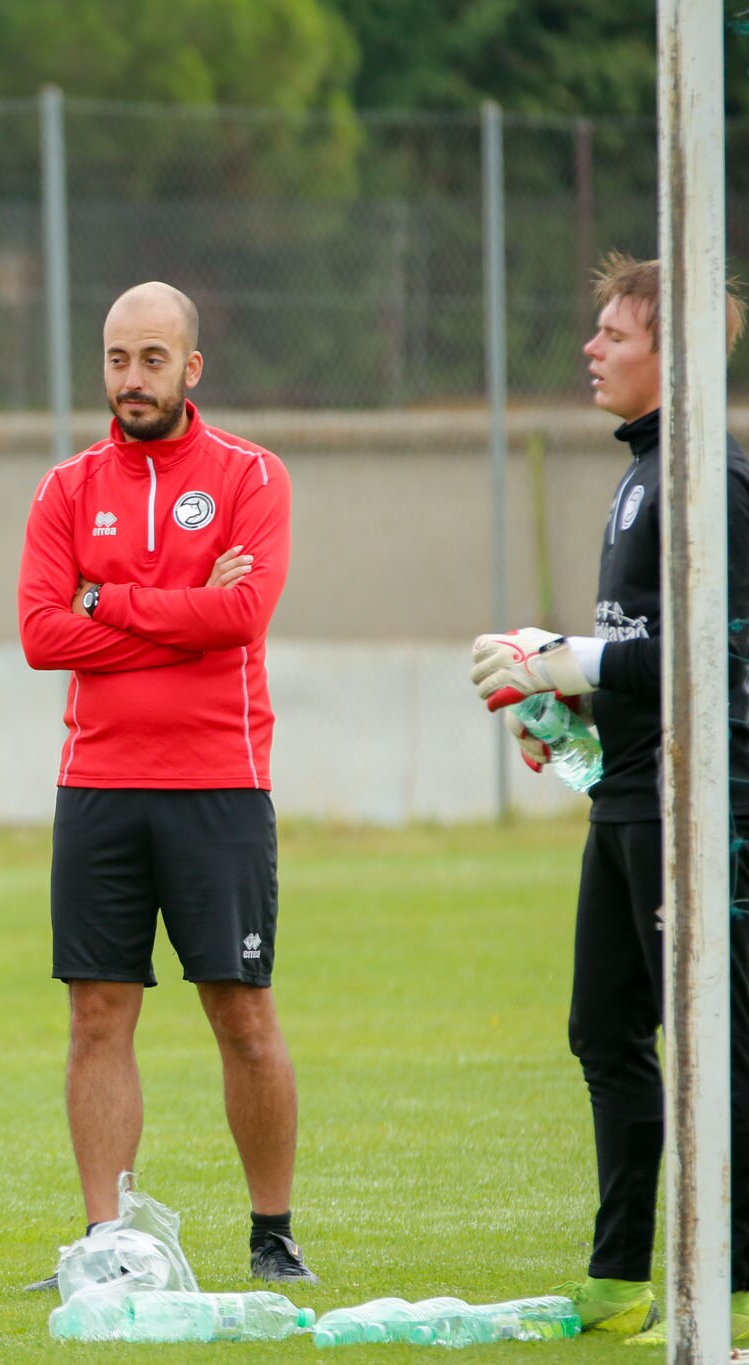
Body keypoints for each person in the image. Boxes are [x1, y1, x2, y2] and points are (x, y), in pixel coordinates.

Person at [468, 253, 749, 1345]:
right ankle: (616, 1274)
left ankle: (729, 1286)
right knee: (601, 1031)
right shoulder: (641, 472)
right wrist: (567, 711)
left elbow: (707, 653)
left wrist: (563, 657)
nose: (589, 349)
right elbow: (644, 652)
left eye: (612, 335)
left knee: (716, 1043)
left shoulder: (704, 479)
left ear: (668, 354)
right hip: (627, 795)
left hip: (701, 806)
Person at [17, 281, 316, 1286]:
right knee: (96, 1013)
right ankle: (106, 1241)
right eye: (114, 359)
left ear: (190, 368)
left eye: (150, 359)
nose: (129, 378)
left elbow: (240, 621)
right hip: (96, 783)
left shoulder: (248, 477)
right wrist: (178, 605)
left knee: (240, 1010)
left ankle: (270, 1231)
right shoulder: (64, 490)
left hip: (217, 784)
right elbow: (38, 633)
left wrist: (106, 605)